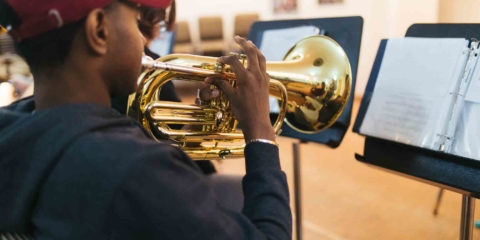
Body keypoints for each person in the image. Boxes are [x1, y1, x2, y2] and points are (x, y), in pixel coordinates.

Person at [0, 1, 292, 240]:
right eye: (135, 20)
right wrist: (260, 133)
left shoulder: (14, 128)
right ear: (99, 30)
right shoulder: (135, 170)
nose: (143, 38)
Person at [111, 1, 217, 175]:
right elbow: (196, 169)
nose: (143, 39)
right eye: (133, 20)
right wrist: (260, 137)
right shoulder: (150, 70)